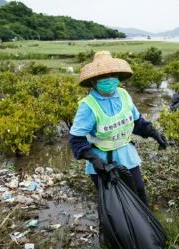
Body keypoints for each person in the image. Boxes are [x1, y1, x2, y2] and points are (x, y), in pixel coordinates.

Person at [69, 51, 167, 205]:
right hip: (103, 162)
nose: (108, 80)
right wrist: (94, 160)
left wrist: (154, 133)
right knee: (112, 201)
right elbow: (76, 139)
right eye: (102, 77)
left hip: (127, 155)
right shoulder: (88, 106)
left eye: (112, 75)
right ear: (94, 81)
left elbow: (136, 122)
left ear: (118, 77)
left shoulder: (123, 94)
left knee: (138, 192)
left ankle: (144, 226)